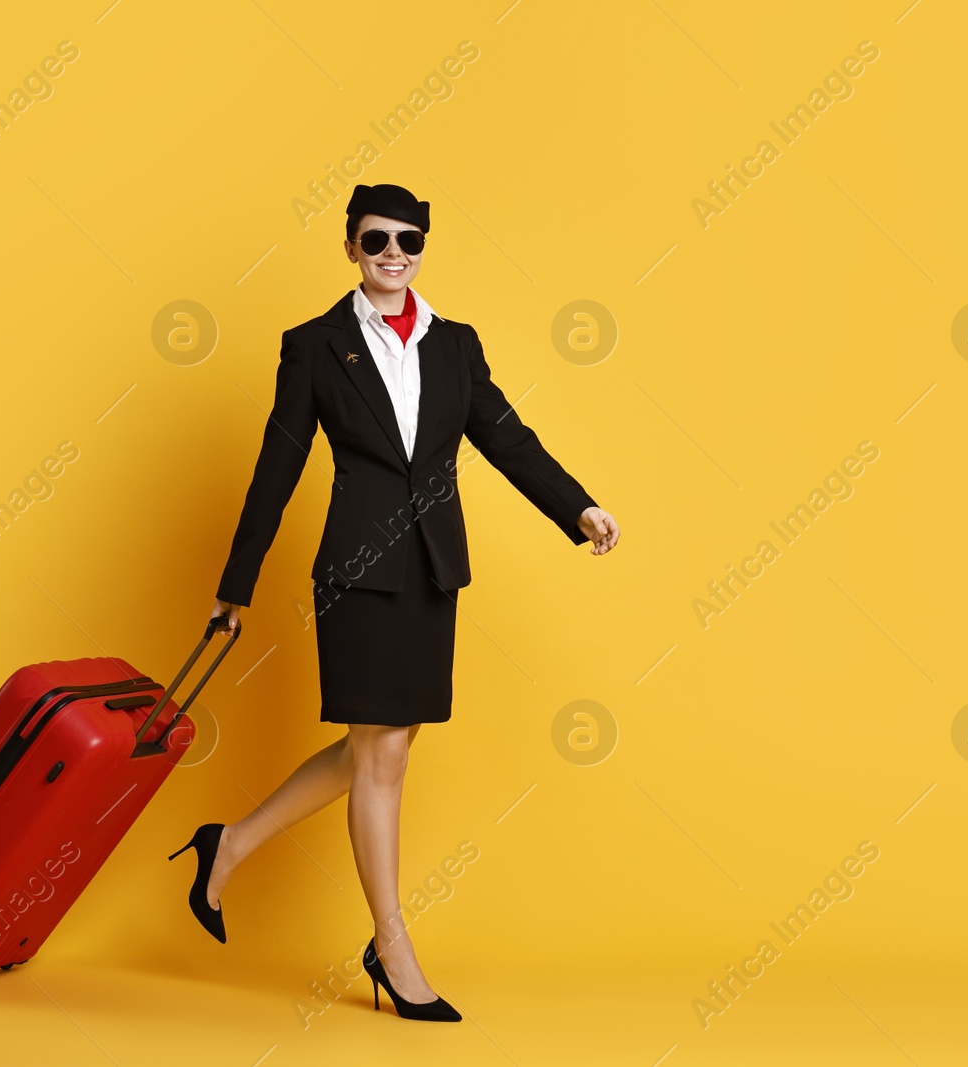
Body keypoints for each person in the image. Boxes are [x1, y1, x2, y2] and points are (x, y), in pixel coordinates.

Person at [168, 182, 619, 1022]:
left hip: (431, 570)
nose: (393, 254)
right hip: (357, 571)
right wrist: (238, 582)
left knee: (374, 751)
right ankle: (392, 944)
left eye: (409, 240)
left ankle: (226, 844)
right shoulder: (315, 345)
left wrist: (577, 504)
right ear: (349, 245)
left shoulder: (456, 346)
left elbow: (506, 437)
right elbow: (278, 466)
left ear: (422, 247)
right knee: (382, 757)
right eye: (376, 239)